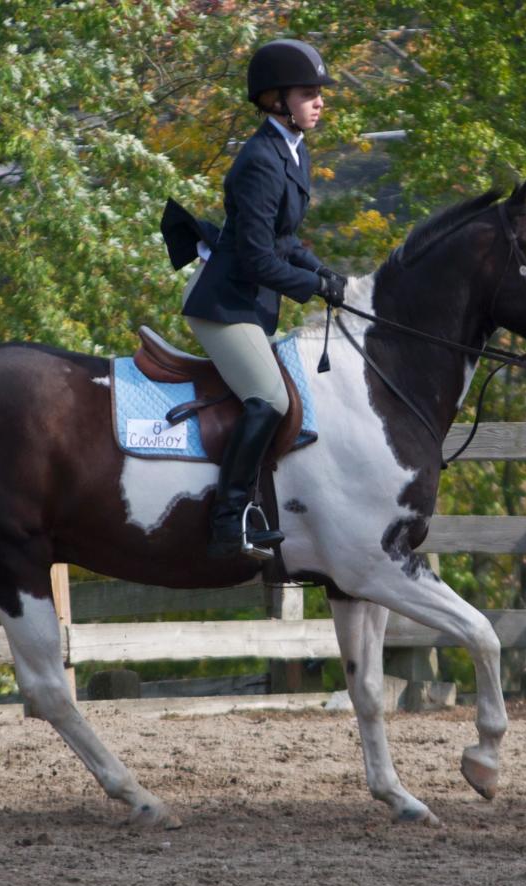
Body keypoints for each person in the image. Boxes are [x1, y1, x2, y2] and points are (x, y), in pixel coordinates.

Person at [161, 38, 348, 559]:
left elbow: (284, 240)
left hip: (250, 303)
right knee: (271, 399)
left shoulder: (293, 151)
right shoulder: (260, 160)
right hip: (223, 305)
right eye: (308, 94)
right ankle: (229, 518)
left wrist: (322, 271)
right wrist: (312, 287)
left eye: (318, 93)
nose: (319, 102)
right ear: (274, 99)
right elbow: (256, 260)